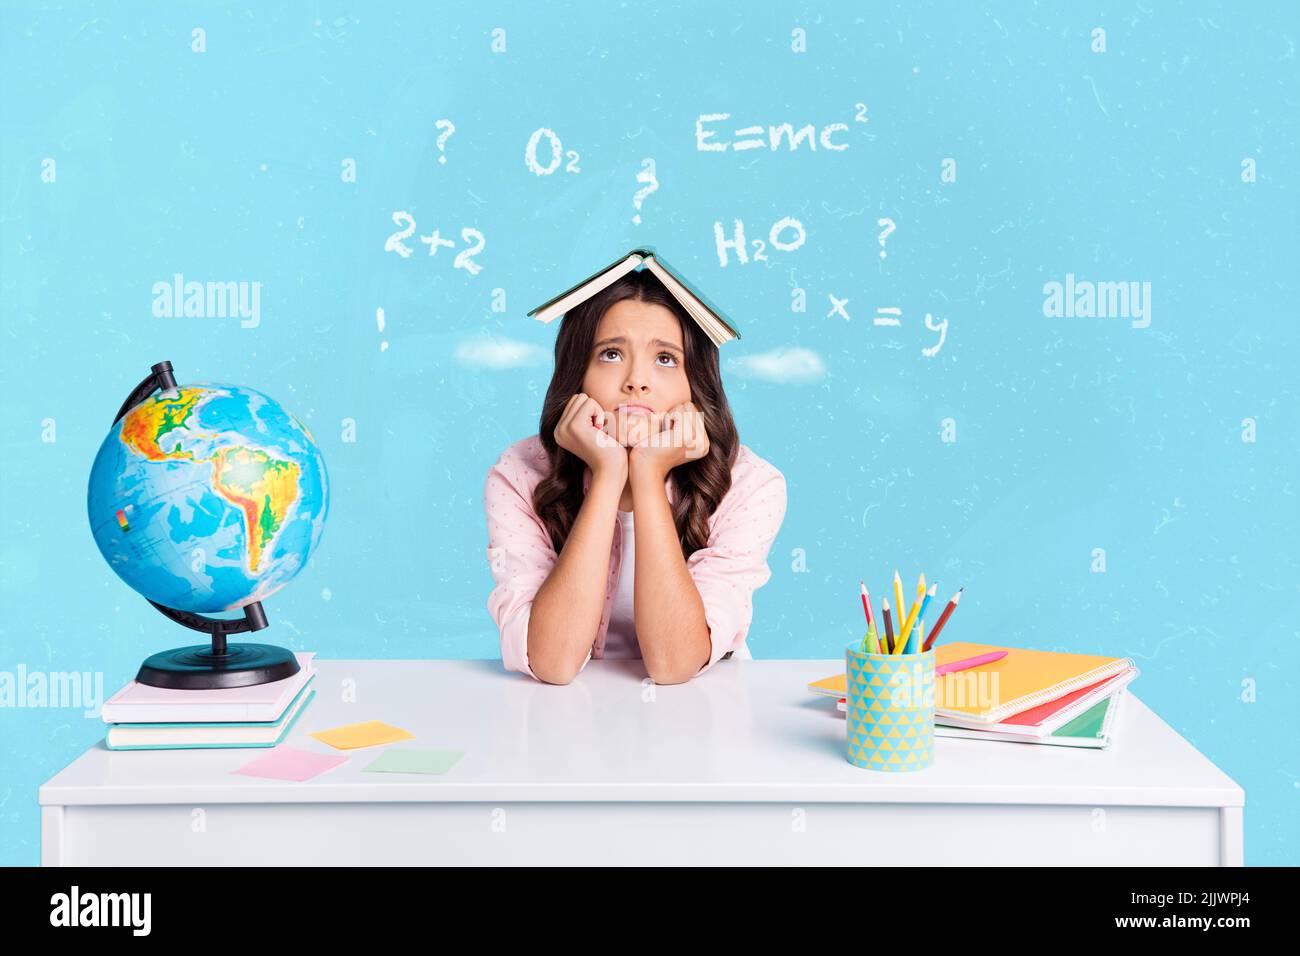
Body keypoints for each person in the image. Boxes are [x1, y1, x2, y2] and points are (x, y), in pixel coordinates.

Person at [483, 269, 786, 684]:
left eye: (666, 359)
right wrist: (608, 475)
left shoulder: (752, 485)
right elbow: (551, 662)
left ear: (695, 384)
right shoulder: (519, 473)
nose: (636, 382)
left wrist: (647, 473)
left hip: (699, 714)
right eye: (611, 354)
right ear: (577, 374)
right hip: (563, 719)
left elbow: (674, 665)